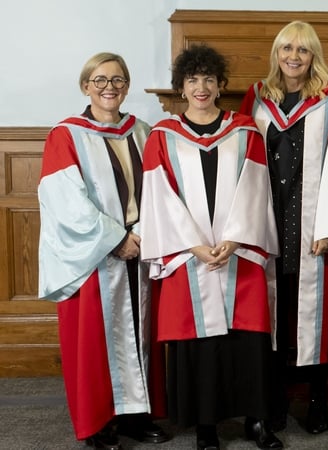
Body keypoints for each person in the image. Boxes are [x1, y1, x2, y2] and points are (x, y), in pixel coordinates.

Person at [139, 44, 283, 450]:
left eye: (208, 79)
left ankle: (256, 421)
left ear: (220, 85)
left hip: (240, 253)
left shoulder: (244, 130)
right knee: (198, 344)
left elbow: (255, 188)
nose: (200, 87)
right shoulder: (162, 137)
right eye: (191, 80)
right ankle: (206, 427)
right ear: (181, 88)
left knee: (249, 339)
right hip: (189, 257)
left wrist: (235, 238)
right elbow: (158, 196)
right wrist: (193, 245)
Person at [37, 52, 170, 449]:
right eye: (100, 80)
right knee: (96, 342)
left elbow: (159, 191)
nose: (109, 87)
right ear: (85, 86)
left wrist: (142, 234)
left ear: (127, 87)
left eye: (117, 80)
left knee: (142, 336)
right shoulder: (66, 135)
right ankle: (99, 424)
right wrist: (116, 239)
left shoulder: (143, 131)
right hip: (96, 257)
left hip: (140, 250)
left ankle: (135, 417)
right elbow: (66, 202)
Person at [239, 20, 328, 435]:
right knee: (274, 314)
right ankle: (274, 401)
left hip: (310, 220)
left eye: (302, 50)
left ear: (313, 55)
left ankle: (318, 400)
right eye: (286, 48)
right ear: (276, 53)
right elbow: (241, 156)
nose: (293, 56)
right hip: (267, 216)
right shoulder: (257, 95)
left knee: (314, 317)